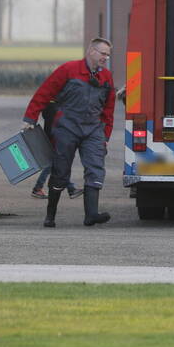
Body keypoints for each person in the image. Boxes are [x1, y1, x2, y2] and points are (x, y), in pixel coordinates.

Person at [22, 38, 116, 227]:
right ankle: (50, 216)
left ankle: (91, 215)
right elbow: (44, 93)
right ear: (91, 51)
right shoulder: (69, 69)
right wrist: (30, 118)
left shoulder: (106, 77)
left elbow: (109, 109)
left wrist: (105, 135)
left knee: (95, 168)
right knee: (60, 171)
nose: (105, 58)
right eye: (103, 53)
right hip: (66, 127)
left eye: (108, 55)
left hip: (93, 130)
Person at [30, 99, 82, 200]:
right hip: (55, 140)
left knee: (55, 165)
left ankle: (70, 189)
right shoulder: (54, 108)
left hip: (51, 138)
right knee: (55, 165)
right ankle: (70, 189)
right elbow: (53, 125)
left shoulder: (49, 105)